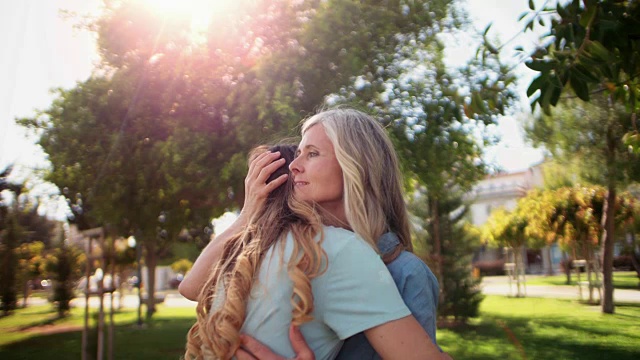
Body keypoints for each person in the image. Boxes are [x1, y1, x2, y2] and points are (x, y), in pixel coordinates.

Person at [182, 143, 445, 360]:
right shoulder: (334, 251)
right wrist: (249, 212)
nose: (300, 167)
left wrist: (249, 211)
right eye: (299, 157)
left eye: (312, 154)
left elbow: (189, 288)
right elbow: (191, 287)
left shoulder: (402, 270)